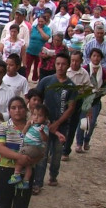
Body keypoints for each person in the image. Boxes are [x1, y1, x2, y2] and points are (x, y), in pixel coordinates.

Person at [32, 53, 78, 192]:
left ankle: (53, 175)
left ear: (68, 65)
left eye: (63, 64)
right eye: (58, 63)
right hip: (44, 125)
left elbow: (71, 108)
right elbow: (36, 100)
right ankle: (38, 183)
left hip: (62, 126)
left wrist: (57, 123)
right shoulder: (46, 81)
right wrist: (38, 118)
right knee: (42, 154)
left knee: (57, 153)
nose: (60, 67)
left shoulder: (71, 86)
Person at [75, 47, 106, 153]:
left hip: (96, 99)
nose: (96, 58)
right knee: (82, 121)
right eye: (94, 56)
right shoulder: (85, 69)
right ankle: (79, 143)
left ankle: (87, 140)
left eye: (98, 56)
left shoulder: (103, 71)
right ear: (90, 57)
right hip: (85, 99)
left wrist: (102, 91)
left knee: (92, 122)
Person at [24, 12, 51, 81]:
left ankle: (35, 79)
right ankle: (25, 79)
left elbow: (46, 38)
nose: (40, 23)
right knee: (27, 66)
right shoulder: (33, 28)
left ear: (45, 21)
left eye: (42, 21)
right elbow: (28, 36)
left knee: (37, 66)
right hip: (30, 50)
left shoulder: (47, 29)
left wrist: (40, 30)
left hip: (40, 51)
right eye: (39, 21)